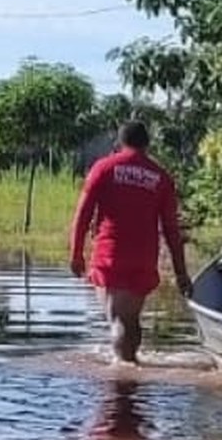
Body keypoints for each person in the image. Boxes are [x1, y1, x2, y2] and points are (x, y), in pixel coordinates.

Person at [69, 120, 191, 364]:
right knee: (131, 318)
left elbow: (83, 213)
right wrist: (181, 273)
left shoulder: (104, 168)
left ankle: (123, 373)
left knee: (117, 319)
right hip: (144, 257)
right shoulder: (161, 177)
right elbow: (171, 229)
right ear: (147, 144)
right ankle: (133, 364)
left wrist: (76, 253)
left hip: (110, 254)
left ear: (120, 142)